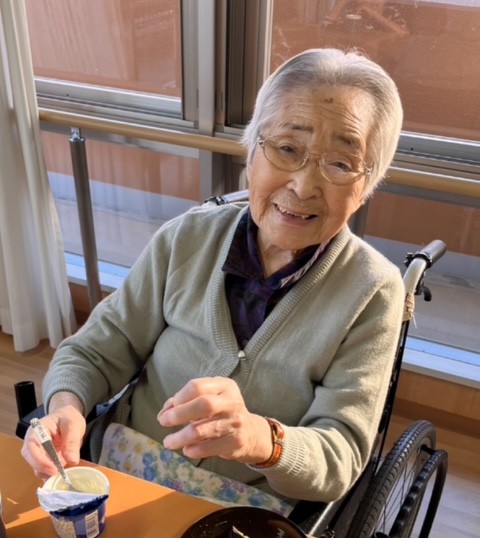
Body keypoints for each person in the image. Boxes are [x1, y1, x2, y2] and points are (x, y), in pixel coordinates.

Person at [22, 47, 405, 509]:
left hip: (242, 509)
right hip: (125, 468)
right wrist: (65, 406)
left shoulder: (373, 292)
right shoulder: (187, 238)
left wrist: (262, 440)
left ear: (365, 188)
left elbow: (340, 452)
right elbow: (99, 347)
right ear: (251, 152)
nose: (304, 186)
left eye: (341, 164)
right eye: (287, 148)